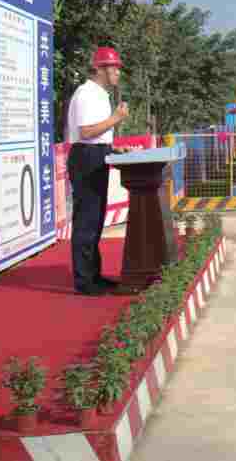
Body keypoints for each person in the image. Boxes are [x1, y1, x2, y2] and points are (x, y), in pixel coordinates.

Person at [66, 46, 129, 295]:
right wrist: (116, 118)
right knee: (87, 221)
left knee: (96, 219)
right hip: (86, 158)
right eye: (114, 68)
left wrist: (112, 148)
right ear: (100, 69)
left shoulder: (100, 94)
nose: (118, 73)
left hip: (96, 154)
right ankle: (84, 281)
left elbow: (97, 134)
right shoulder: (86, 94)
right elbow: (86, 132)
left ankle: (94, 275)